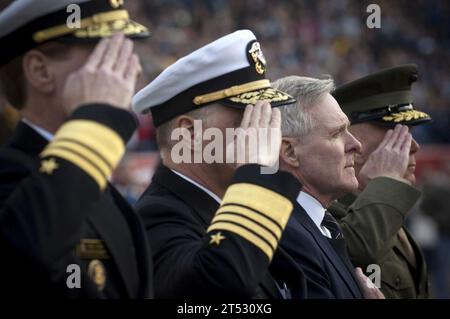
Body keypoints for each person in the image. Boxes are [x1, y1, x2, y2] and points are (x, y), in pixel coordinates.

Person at [132, 30, 306, 298]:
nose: (265, 131)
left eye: (266, 114)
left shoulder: (223, 204)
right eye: (248, 118)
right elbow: (219, 288)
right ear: (189, 133)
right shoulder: (158, 216)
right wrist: (258, 175)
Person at [0, 0, 152, 298]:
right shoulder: (11, 177)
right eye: (107, 55)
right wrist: (96, 122)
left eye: (126, 53)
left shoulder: (99, 187)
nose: (130, 71)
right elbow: (27, 253)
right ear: (40, 71)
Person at [272, 76, 383, 299]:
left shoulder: (322, 223)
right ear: (290, 152)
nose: (356, 145)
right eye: (336, 133)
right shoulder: (287, 234)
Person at [330, 64, 431, 298]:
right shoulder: (327, 213)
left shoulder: (387, 208)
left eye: (409, 131)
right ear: (349, 138)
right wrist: (384, 185)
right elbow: (355, 252)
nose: (413, 146)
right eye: (394, 132)